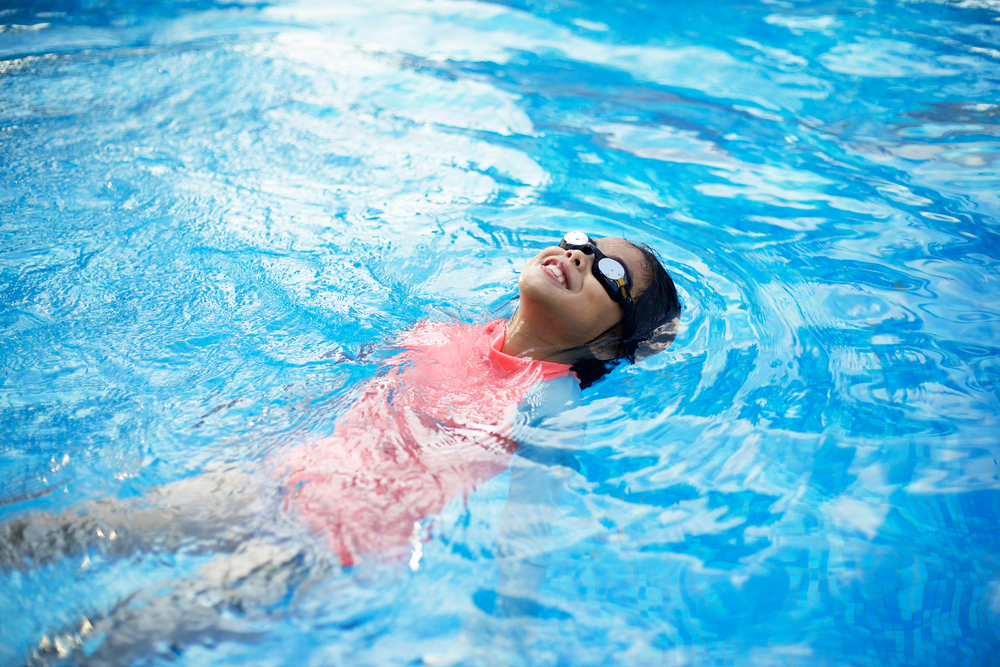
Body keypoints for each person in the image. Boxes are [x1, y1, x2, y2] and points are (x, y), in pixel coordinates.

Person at [1, 231, 680, 663]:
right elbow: (333, 383)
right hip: (273, 480)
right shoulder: (441, 330)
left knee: (121, 631)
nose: (579, 255)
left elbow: (530, 518)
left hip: (329, 545)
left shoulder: (550, 397)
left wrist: (508, 623)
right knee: (62, 528)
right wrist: (245, 430)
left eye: (609, 273)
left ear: (608, 343)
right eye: (578, 240)